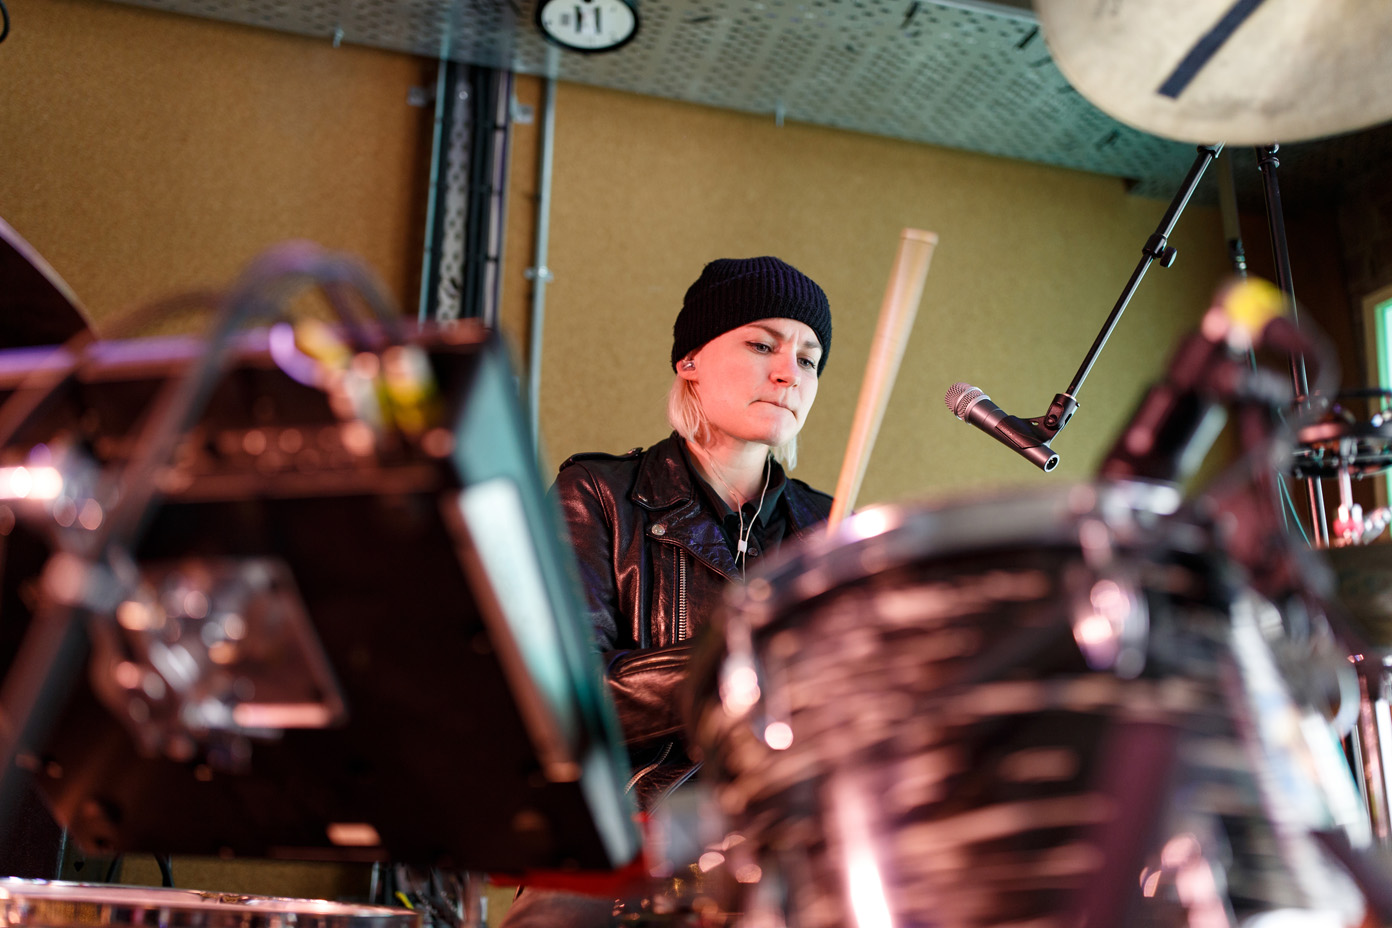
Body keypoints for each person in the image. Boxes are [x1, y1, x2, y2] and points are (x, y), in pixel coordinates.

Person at [500, 256, 835, 927]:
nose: (786, 372)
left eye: (809, 358)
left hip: (776, 853)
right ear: (690, 360)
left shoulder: (828, 528)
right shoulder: (597, 495)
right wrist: (746, 656)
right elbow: (570, 698)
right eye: (762, 343)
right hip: (623, 842)